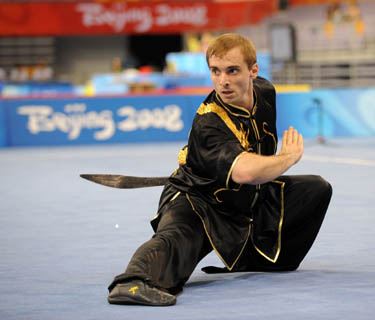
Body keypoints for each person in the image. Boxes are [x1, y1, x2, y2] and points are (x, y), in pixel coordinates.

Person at [107, 33, 332, 306]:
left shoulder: (265, 92)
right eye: (215, 71)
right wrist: (288, 157)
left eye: (232, 70)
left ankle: (257, 260)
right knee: (175, 240)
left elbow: (251, 175)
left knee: (315, 189)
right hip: (199, 200)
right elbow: (246, 172)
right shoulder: (209, 123)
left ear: (253, 70)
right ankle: (132, 282)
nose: (223, 80)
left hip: (244, 198)